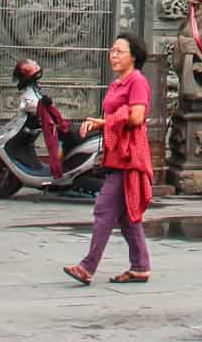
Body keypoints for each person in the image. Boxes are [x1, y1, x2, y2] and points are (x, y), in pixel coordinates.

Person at [65, 33, 154, 285]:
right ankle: (140, 266)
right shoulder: (117, 83)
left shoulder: (137, 81)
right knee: (127, 215)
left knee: (104, 209)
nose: (113, 56)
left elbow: (136, 117)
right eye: (112, 50)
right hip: (116, 155)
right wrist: (101, 124)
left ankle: (87, 266)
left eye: (119, 51)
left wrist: (102, 122)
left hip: (129, 156)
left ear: (133, 56)